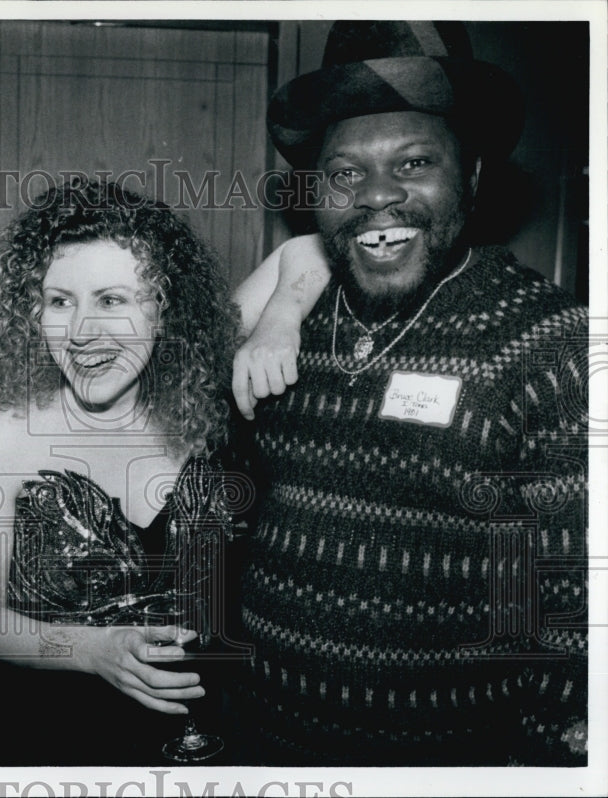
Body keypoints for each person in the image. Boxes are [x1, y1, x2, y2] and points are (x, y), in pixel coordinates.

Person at [229, 21, 588, 765]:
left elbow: (569, 611)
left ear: (475, 177)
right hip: (264, 745)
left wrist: (544, 762)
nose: (379, 197)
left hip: (448, 758)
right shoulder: (287, 322)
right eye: (345, 174)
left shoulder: (549, 344)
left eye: (416, 162)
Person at [0, 177, 327, 765]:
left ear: (164, 307)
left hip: (206, 746)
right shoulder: (6, 433)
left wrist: (279, 320)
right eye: (59, 301)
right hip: (48, 748)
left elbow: (307, 251)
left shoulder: (202, 397)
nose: (80, 331)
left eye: (112, 300)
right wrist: (91, 650)